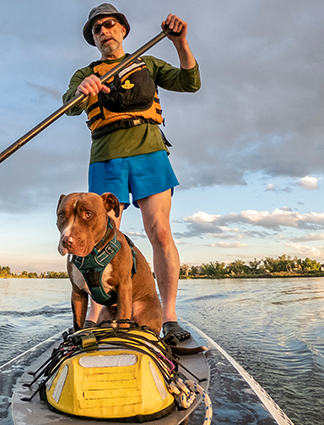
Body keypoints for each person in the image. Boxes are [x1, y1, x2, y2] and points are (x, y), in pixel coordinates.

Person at [62, 4, 200, 341]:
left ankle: (168, 318)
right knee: (99, 238)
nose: (104, 31)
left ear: (122, 29)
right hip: (107, 155)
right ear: (94, 39)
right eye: (97, 29)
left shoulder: (148, 63)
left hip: (149, 151)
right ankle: (94, 320)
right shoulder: (86, 73)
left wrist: (180, 43)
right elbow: (69, 105)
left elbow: (190, 82)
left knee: (161, 233)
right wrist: (83, 91)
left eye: (109, 25)